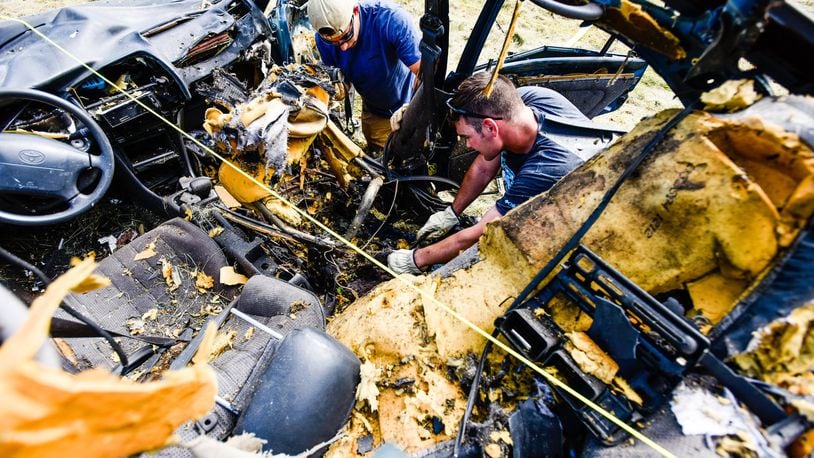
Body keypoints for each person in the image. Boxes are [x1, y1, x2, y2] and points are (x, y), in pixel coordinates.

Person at [387, 73, 586, 274]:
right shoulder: (523, 102)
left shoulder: (544, 170)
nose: (467, 144)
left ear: (490, 127)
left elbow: (485, 231)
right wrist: (452, 213)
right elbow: (483, 167)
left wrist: (416, 258)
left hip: (564, 236)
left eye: (467, 137)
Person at [307, 0, 421, 150]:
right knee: (383, 158)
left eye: (346, 37)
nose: (344, 47)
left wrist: (412, 108)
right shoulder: (323, 41)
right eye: (335, 43)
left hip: (409, 102)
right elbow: (342, 76)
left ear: (355, 11)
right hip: (377, 111)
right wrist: (340, 86)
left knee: (415, 155)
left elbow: (427, 74)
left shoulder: (391, 20)